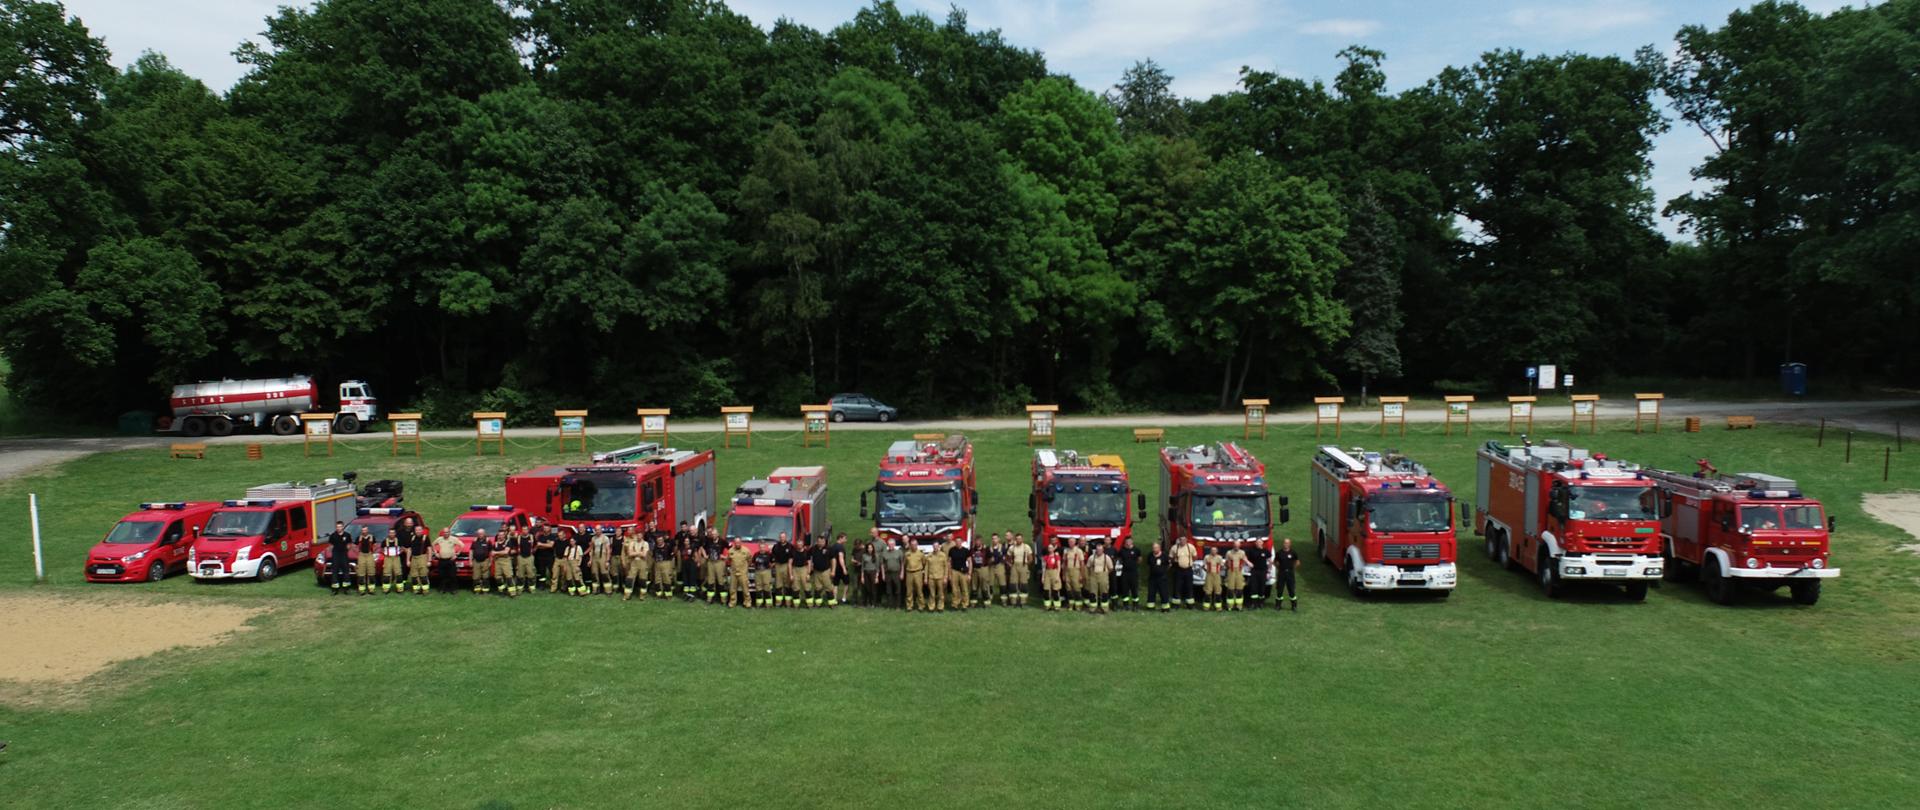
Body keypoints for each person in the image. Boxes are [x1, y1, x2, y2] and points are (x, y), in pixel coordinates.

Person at [623, 528, 650, 601]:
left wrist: (635, 553)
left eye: (640, 535)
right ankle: (627, 595)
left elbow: (644, 555)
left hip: (642, 563)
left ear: (642, 536)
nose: (638, 537)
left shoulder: (645, 544)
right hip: (633, 563)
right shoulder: (632, 543)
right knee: (630, 579)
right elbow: (629, 554)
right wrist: (639, 553)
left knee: (643, 579)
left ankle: (642, 595)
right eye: (637, 535)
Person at [1006, 533, 1032, 607]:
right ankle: (1013, 602)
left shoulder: (1026, 547)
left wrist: (1027, 565)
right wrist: (1010, 564)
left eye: (1020, 539)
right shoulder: (1012, 547)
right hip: (1014, 566)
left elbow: (1031, 558)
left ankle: (1023, 602)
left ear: (1022, 539)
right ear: (1015, 539)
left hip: (1023, 566)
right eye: (1017, 539)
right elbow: (1007, 558)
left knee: (1024, 584)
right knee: (1013, 584)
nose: (1018, 540)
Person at [1275, 537, 1301, 612]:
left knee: (1291, 590)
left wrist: (1292, 569)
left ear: (1290, 544)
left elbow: (1298, 562)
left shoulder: (1293, 553)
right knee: (1280, 590)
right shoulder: (1279, 553)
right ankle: (1278, 605)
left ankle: (1294, 606)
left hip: (1290, 574)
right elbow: (1276, 562)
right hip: (1281, 573)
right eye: (1284, 543)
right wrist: (1279, 569)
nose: (1285, 544)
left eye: (1287, 543)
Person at [325, 521, 352, 593]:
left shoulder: (347, 535)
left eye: (340, 527)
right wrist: (334, 552)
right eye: (337, 527)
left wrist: (346, 549)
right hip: (336, 555)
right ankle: (335, 589)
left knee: (346, 571)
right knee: (334, 572)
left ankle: (346, 588)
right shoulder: (333, 535)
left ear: (343, 527)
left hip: (344, 555)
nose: (338, 528)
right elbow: (330, 545)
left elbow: (349, 544)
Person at [1086, 542, 1113, 614]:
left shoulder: (1106, 557)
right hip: (1093, 577)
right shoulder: (1091, 557)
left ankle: (1104, 609)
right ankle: (1092, 608)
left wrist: (1105, 574)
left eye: (1100, 550)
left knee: (1104, 593)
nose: (1099, 551)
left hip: (1103, 577)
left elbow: (1110, 568)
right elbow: (1088, 567)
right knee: (1093, 594)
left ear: (1103, 550)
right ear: (1096, 550)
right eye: (1097, 550)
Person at [878, 534, 904, 609]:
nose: (891, 546)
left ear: (894, 544)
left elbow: (902, 563)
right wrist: (883, 575)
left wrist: (902, 573)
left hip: (896, 573)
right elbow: (882, 565)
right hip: (888, 573)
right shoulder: (884, 553)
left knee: (898, 590)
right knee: (888, 590)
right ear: (887, 545)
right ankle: (890, 605)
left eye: (892, 544)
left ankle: (898, 606)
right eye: (889, 544)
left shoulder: (899, 552)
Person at [1115, 538, 1140, 611]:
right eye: (1127, 542)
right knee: (1125, 589)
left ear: (1132, 542)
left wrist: (1134, 565)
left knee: (1134, 589)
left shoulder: (1136, 550)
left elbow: (1139, 559)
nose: (1128, 543)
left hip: (1133, 573)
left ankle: (1135, 605)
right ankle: (1125, 605)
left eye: (1129, 542)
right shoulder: (1122, 550)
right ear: (1125, 543)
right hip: (1125, 573)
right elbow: (1118, 559)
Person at [432, 528, 460, 594]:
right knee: (442, 575)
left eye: (447, 532)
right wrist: (436, 553)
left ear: (449, 532)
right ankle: (442, 589)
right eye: (444, 532)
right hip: (442, 560)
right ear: (443, 533)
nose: (446, 533)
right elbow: (432, 544)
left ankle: (453, 590)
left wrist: (457, 554)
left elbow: (462, 545)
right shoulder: (439, 539)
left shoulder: (453, 539)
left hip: (450, 560)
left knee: (452, 575)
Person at [947, 537, 972, 611]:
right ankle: (955, 604)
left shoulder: (966, 550)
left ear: (962, 542)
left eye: (959, 541)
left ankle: (965, 604)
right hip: (954, 571)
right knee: (955, 589)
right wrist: (949, 573)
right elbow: (949, 562)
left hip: (963, 572)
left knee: (964, 589)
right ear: (955, 542)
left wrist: (969, 573)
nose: (958, 543)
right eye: (956, 541)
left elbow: (970, 562)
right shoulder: (952, 550)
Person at [925, 538, 949, 613]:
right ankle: (931, 607)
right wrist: (926, 578)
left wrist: (945, 577)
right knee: (932, 594)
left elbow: (946, 567)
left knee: (941, 594)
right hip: (931, 577)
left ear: (939, 546)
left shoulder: (943, 555)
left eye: (936, 546)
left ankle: (940, 607)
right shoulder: (929, 555)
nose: (935, 547)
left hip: (940, 577)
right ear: (932, 547)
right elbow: (926, 568)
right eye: (934, 546)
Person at [813, 536, 838, 609]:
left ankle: (832, 604)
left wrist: (833, 571)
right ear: (817, 542)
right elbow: (809, 558)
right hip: (816, 571)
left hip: (826, 571)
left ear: (825, 542)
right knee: (817, 588)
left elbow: (833, 560)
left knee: (829, 588)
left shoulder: (829, 549)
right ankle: (818, 604)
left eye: (822, 542)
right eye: (819, 541)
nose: (820, 543)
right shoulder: (814, 549)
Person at [1172, 536, 1196, 609]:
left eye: (1184, 540)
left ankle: (1190, 605)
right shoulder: (1174, 548)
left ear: (1186, 540)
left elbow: (1195, 557)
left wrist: (1190, 563)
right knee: (1177, 587)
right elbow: (1171, 557)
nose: (1183, 541)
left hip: (1188, 570)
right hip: (1178, 570)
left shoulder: (1191, 547)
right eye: (1181, 540)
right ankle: (1176, 604)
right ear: (1179, 540)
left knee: (1189, 586)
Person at [726, 539, 752, 608]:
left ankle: (747, 602)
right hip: (734, 573)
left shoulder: (746, 551)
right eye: (736, 543)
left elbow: (750, 560)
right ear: (734, 543)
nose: (737, 544)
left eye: (739, 542)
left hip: (743, 573)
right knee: (732, 589)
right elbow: (728, 560)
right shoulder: (731, 551)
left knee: (745, 589)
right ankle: (732, 602)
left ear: (741, 543)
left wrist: (745, 568)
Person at [652, 530, 677, 600]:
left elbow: (673, 553)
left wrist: (671, 559)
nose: (659, 541)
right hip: (657, 564)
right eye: (658, 540)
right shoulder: (655, 547)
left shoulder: (668, 547)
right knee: (657, 579)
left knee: (666, 579)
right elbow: (654, 556)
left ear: (663, 540)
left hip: (666, 563)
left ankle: (668, 594)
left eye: (661, 540)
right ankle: (658, 594)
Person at [1063, 538, 1087, 611]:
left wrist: (1081, 575)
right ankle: (1071, 605)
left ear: (1075, 542)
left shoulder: (1079, 551)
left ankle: (1078, 606)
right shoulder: (1066, 551)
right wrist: (1063, 574)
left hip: (1076, 571)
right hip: (1067, 571)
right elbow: (1064, 563)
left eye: (1072, 542)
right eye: (1069, 542)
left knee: (1077, 589)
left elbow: (1082, 564)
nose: (1070, 543)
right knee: (1069, 589)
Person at [903, 540, 927, 612]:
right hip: (909, 573)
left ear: (917, 545)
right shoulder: (907, 554)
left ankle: (921, 606)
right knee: (909, 591)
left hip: (918, 573)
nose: (914, 546)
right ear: (910, 545)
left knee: (919, 590)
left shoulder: (921, 554)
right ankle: (909, 606)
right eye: (912, 545)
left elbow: (924, 563)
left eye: (915, 545)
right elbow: (905, 563)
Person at [356, 527, 380, 595]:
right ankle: (361, 589)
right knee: (361, 573)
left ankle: (371, 589)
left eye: (365, 530)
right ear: (361, 531)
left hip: (369, 555)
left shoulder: (372, 537)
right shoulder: (359, 538)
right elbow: (355, 546)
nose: (364, 531)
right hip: (361, 555)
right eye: (363, 530)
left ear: (368, 530)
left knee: (371, 572)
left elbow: (375, 545)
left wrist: (373, 552)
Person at [1147, 542, 1171, 611]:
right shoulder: (1150, 555)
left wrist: (1163, 571)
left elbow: (1169, 565)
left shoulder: (1164, 555)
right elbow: (1148, 565)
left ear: (1159, 548)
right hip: (1152, 578)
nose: (1154, 549)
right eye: (1153, 548)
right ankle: (1150, 607)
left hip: (1162, 578)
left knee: (1163, 592)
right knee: (1151, 592)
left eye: (1156, 548)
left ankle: (1165, 608)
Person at [407, 525, 431, 595]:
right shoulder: (412, 538)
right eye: (417, 530)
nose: (418, 531)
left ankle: (425, 590)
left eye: (419, 530)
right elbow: (409, 550)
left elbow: (429, 549)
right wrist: (408, 560)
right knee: (414, 576)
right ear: (415, 531)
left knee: (423, 575)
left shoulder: (425, 538)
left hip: (422, 557)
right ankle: (416, 590)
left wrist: (429, 560)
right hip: (414, 558)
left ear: (422, 530)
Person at [1247, 541, 1271, 609]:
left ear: (1262, 543)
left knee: (1262, 587)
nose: (1258, 544)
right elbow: (1246, 557)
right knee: (1253, 587)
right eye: (1257, 542)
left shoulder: (1266, 551)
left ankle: (1261, 603)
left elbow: (1269, 561)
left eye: (1260, 542)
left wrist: (1269, 571)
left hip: (1263, 571)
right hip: (1254, 571)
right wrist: (1248, 563)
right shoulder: (1251, 550)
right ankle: (1253, 603)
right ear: (1255, 543)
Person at [1039, 541, 1063, 611]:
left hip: (1054, 572)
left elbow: (1059, 566)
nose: (1050, 549)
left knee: (1055, 591)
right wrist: (1043, 577)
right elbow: (1043, 568)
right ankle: (1047, 606)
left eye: (1051, 548)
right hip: (1047, 572)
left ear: (1053, 549)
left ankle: (1057, 606)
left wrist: (1058, 576)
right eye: (1049, 548)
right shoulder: (1045, 557)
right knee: (1046, 590)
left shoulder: (1057, 557)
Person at [533, 524, 557, 592]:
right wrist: (545, 545)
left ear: (550, 529)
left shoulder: (552, 536)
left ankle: (553, 585)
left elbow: (551, 545)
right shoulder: (540, 536)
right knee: (541, 571)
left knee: (551, 571)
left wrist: (542, 545)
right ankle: (542, 585)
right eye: (544, 528)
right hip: (541, 557)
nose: (545, 529)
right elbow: (538, 545)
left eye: (547, 528)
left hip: (549, 557)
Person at [1224, 544, 1247, 611]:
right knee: (1230, 590)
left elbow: (1245, 560)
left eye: (1238, 546)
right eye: (1235, 545)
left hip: (1239, 572)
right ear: (1233, 546)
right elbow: (1226, 562)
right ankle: (1229, 606)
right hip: (1231, 571)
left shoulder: (1242, 552)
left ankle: (1239, 606)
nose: (1236, 547)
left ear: (1239, 546)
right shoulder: (1229, 553)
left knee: (1239, 589)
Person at [590, 529, 614, 595]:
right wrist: (590, 560)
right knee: (594, 573)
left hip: (603, 556)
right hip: (595, 557)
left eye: (598, 530)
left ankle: (608, 590)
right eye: (596, 530)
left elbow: (608, 550)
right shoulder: (593, 538)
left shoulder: (605, 538)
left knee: (604, 573)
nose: (597, 531)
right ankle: (596, 590)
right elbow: (592, 549)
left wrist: (607, 561)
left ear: (601, 530)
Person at [514, 529, 537, 597]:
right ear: (522, 531)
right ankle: (520, 589)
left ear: (528, 530)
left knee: (531, 573)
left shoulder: (532, 537)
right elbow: (515, 546)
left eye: (526, 530)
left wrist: (533, 551)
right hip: (521, 557)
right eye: (523, 530)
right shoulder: (518, 537)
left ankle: (532, 589)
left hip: (529, 557)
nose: (525, 531)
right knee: (520, 574)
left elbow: (536, 545)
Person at [468, 529, 491, 595]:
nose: (480, 535)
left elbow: (491, 552)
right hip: (476, 561)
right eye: (479, 534)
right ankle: (477, 591)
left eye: (481, 534)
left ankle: (485, 591)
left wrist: (490, 561)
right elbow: (471, 551)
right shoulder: (474, 541)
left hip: (485, 561)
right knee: (476, 577)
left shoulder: (488, 541)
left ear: (484, 534)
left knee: (485, 576)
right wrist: (470, 561)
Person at [751, 542, 773, 608]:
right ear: (759, 547)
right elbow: (753, 562)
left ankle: (768, 604)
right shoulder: (756, 554)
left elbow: (773, 562)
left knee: (767, 587)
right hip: (758, 572)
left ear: (765, 547)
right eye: (761, 547)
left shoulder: (769, 554)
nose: (762, 548)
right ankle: (759, 603)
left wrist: (771, 566)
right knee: (758, 587)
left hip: (766, 571)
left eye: (763, 547)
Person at [1203, 546, 1225, 611]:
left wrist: (1217, 571)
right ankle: (1206, 607)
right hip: (1209, 575)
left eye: (1215, 550)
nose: (1213, 551)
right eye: (1212, 550)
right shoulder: (1206, 557)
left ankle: (1218, 607)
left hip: (1217, 575)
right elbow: (1203, 566)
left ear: (1217, 551)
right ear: (1210, 551)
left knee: (1218, 590)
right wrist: (1207, 571)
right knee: (1207, 591)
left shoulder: (1219, 557)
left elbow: (1222, 566)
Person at [856, 541, 879, 607]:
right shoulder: (864, 556)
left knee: (873, 589)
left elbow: (877, 567)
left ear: (873, 548)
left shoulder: (876, 556)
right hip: (866, 572)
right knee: (867, 588)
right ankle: (866, 602)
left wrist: (877, 577)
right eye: (868, 548)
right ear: (867, 549)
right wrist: (862, 576)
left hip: (873, 573)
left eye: (871, 548)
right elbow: (863, 566)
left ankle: (873, 603)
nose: (870, 549)